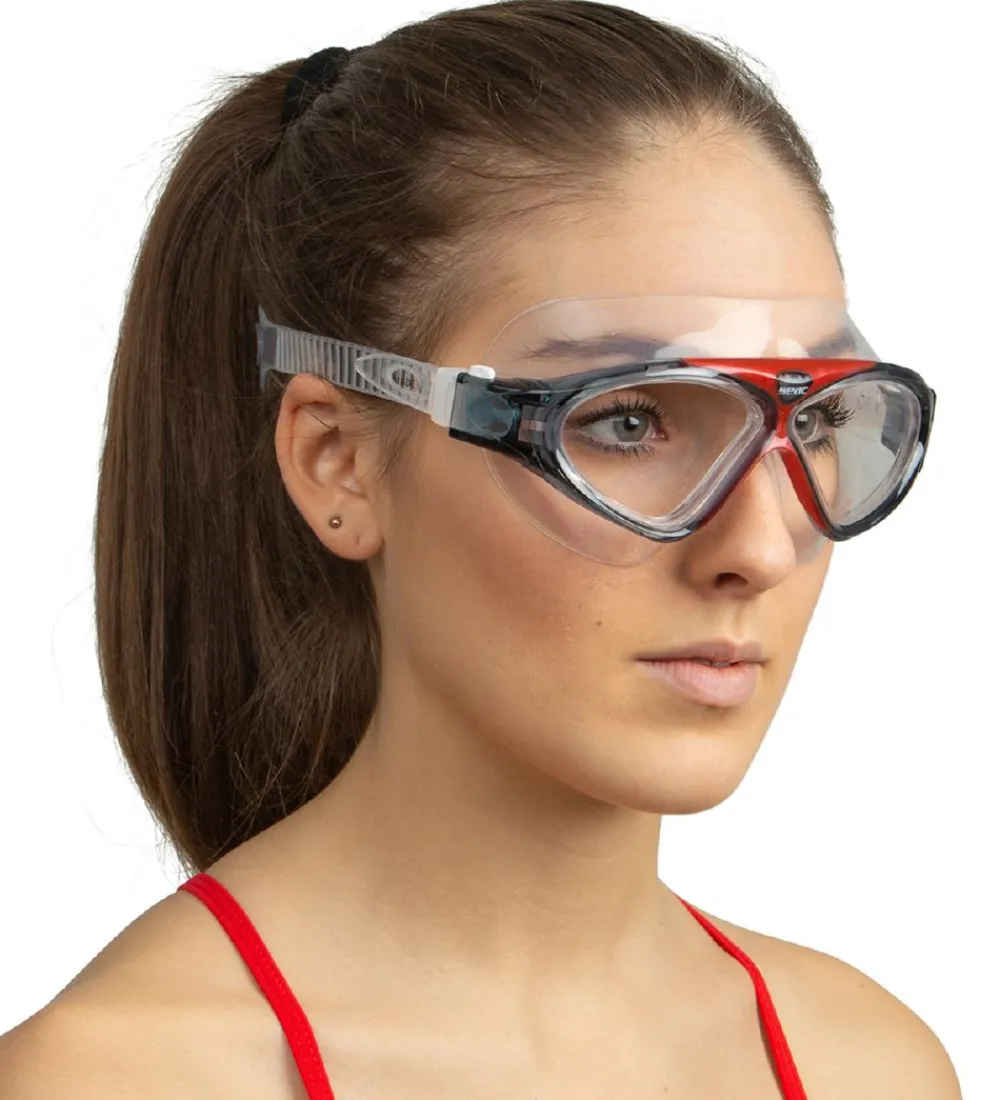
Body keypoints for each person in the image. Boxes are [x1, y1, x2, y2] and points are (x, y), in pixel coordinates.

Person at [0, 1, 961, 1097]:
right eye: (628, 421)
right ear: (337, 463)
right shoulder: (115, 1076)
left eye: (819, 420)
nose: (761, 547)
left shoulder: (872, 1067)